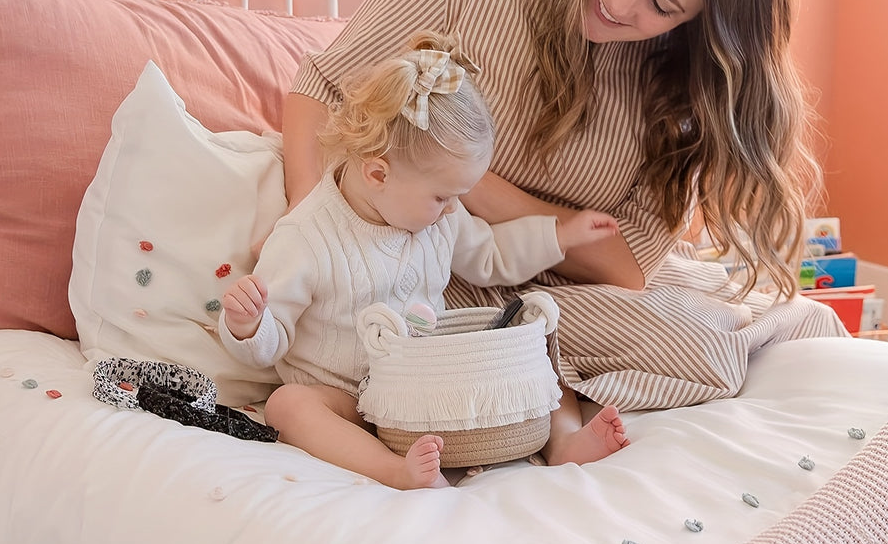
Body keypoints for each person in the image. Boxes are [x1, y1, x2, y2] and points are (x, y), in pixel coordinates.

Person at [281, 0, 849, 433]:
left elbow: (626, 265)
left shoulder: (685, 81)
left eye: (662, 6)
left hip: (569, 277)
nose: (621, 3)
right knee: (708, 348)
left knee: (812, 324)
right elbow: (324, 88)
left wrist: (468, 182)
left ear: (701, 23)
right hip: (434, 266)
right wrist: (310, 227)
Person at [219, 31, 625, 490]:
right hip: (349, 400)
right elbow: (271, 343)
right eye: (442, 196)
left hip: (427, 385)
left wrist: (559, 236)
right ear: (378, 173)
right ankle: (394, 470)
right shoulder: (306, 236)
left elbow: (491, 256)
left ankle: (563, 441)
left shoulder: (438, 219)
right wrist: (248, 324)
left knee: (530, 347)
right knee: (288, 405)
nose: (453, 209)